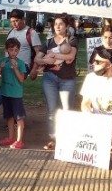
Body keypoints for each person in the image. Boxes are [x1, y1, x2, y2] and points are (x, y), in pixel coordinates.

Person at [0, 8, 42, 118]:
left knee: (8, 89)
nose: (14, 24)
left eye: (17, 21)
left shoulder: (31, 33)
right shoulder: (11, 32)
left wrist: (34, 69)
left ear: (23, 19)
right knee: (8, 90)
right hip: (8, 65)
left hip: (22, 65)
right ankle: (14, 117)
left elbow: (39, 52)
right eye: (12, 21)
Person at [33, 13, 79, 151]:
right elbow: (37, 59)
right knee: (52, 110)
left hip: (68, 79)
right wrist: (45, 60)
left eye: (61, 24)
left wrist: (52, 56)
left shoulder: (72, 40)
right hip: (50, 79)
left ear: (67, 27)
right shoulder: (48, 42)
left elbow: (71, 56)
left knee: (67, 109)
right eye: (56, 24)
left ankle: (66, 139)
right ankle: (53, 138)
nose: (58, 26)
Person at [0, 38, 28, 149]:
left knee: (19, 117)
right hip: (5, 93)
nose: (13, 52)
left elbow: (21, 79)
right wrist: (0, 67)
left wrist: (15, 69)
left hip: (16, 95)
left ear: (18, 51)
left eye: (16, 50)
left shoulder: (21, 63)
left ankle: (19, 140)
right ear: (7, 50)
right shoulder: (3, 61)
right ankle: (10, 137)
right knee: (9, 116)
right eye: (11, 50)